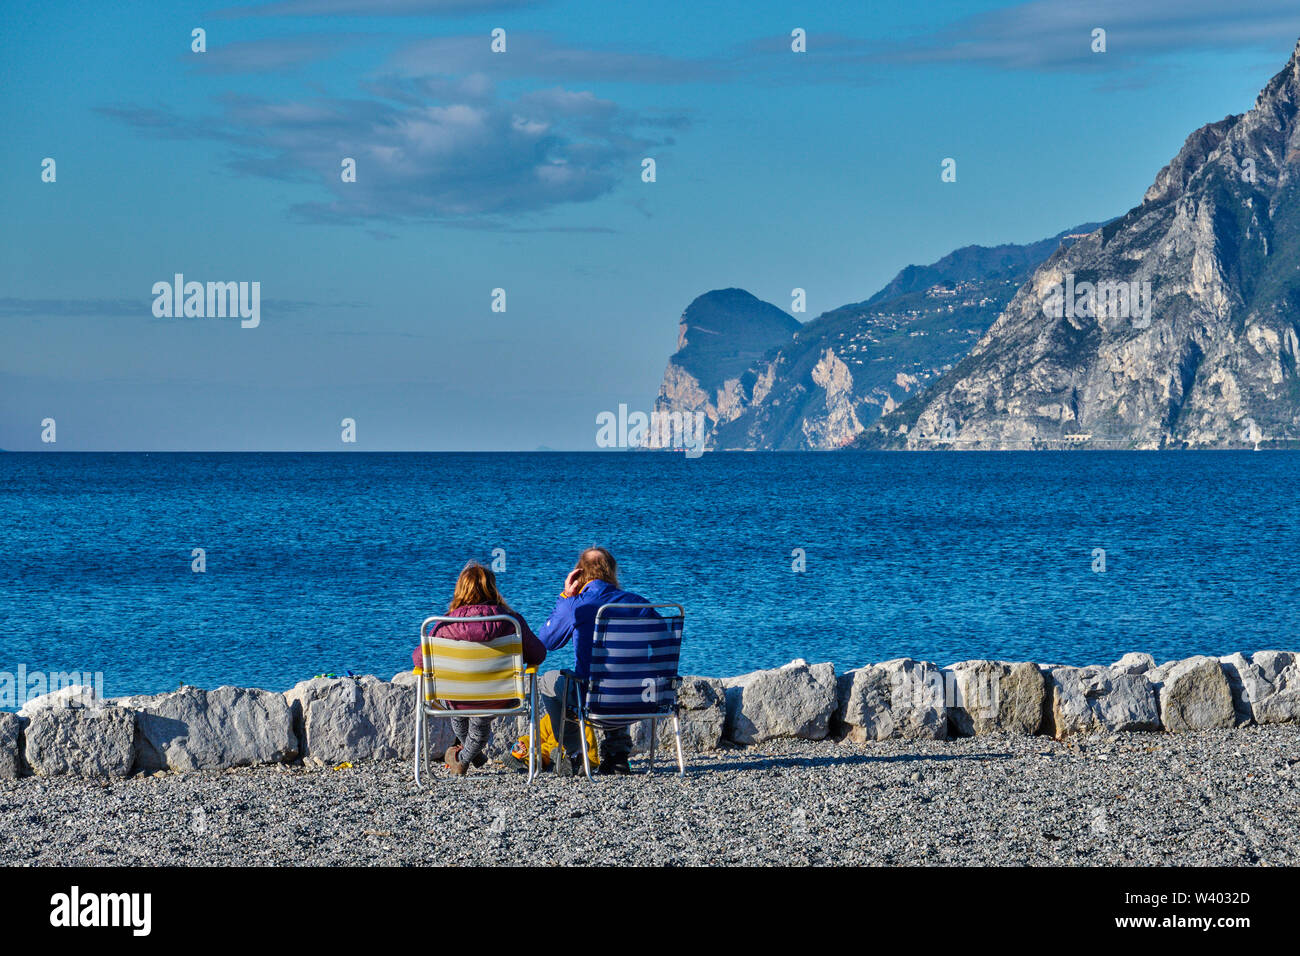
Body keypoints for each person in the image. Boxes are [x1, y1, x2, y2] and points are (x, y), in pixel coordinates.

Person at [533, 547, 659, 776]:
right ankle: (617, 756)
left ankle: (577, 754)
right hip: (640, 696)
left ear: (579, 574)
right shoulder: (639, 604)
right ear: (612, 571)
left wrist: (565, 598)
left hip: (594, 698)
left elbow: (545, 642)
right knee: (619, 673)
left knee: (549, 681)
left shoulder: (577, 605)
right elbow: (662, 643)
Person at [412, 561, 545, 775]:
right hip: (500, 697)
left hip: (455, 697)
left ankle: (462, 759)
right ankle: (469, 756)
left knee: (457, 703)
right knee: (478, 713)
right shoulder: (512, 622)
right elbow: (538, 655)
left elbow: (419, 660)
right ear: (493, 589)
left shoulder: (442, 624)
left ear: (459, 590)